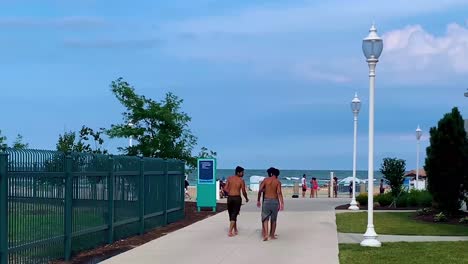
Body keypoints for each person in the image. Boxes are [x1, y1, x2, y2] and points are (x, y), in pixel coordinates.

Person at [257, 167, 284, 241]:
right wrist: (282, 203)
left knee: (265, 218)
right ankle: (272, 235)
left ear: (271, 173)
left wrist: (259, 200)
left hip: (266, 201)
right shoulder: (278, 182)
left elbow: (260, 190)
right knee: (274, 219)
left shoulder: (265, 180)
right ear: (277, 175)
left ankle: (266, 235)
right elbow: (279, 193)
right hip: (275, 201)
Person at [224, 166, 249, 237]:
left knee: (232, 214)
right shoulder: (241, 180)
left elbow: (225, 188)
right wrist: (246, 198)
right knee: (234, 214)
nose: (243, 174)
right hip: (237, 198)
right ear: (238, 172)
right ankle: (230, 231)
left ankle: (235, 229)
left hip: (230, 198)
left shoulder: (229, 178)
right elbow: (243, 191)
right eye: (242, 172)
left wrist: (230, 192)